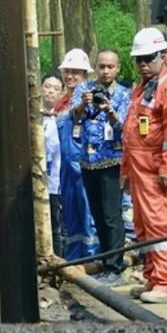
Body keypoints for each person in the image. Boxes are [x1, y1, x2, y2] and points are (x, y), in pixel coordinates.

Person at [122, 27, 167, 304]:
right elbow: (131, 131)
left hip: (155, 168)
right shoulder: (143, 88)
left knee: (158, 225)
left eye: (148, 58)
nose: (143, 64)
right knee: (143, 226)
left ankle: (166, 282)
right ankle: (153, 278)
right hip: (138, 168)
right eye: (139, 59)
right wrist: (125, 170)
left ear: (162, 55)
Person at [71, 49, 131, 285]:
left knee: (111, 215)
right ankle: (106, 262)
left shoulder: (124, 95)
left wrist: (110, 111)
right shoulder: (83, 90)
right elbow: (73, 118)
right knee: (97, 214)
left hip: (112, 162)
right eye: (101, 66)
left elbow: (124, 129)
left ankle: (115, 267)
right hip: (88, 161)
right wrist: (82, 105)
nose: (105, 71)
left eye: (110, 66)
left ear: (118, 69)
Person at [55, 49, 99, 261]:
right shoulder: (61, 101)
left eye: (76, 72)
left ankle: (93, 258)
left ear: (85, 75)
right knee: (71, 215)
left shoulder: (90, 99)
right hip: (65, 168)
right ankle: (74, 258)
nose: (70, 76)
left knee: (88, 213)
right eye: (68, 71)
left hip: (83, 164)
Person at [41, 75, 64, 257]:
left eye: (56, 88)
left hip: (56, 181)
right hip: (36, 181)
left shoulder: (62, 118)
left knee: (55, 225)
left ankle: (56, 264)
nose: (50, 91)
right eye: (47, 86)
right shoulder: (31, 116)